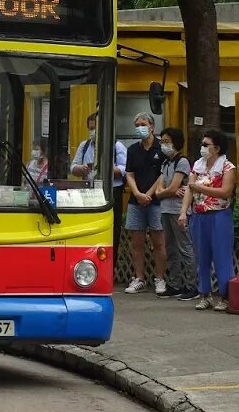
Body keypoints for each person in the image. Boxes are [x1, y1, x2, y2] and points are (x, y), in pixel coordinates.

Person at [179, 129, 237, 312]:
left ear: (217, 147)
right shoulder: (197, 165)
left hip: (219, 216)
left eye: (206, 145)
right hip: (199, 215)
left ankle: (225, 296)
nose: (202, 147)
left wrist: (200, 189)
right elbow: (189, 189)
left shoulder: (227, 167)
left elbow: (226, 191)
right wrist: (183, 212)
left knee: (222, 256)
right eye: (202, 144)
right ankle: (204, 294)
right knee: (201, 257)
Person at [124, 112, 168, 295]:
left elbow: (163, 174)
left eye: (143, 124)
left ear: (151, 126)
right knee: (137, 243)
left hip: (157, 201)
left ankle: (160, 278)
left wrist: (148, 194)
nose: (140, 128)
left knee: (159, 241)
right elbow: (129, 174)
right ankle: (139, 278)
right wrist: (137, 193)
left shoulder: (162, 148)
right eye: (137, 125)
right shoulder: (132, 149)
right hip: (135, 201)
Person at [152, 127, 198, 300]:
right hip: (165, 209)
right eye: (162, 141)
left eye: (167, 141)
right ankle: (175, 283)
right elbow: (159, 190)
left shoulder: (182, 162)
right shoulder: (166, 163)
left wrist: (166, 191)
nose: (164, 145)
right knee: (170, 248)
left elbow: (170, 187)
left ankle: (192, 285)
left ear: (176, 142)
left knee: (185, 247)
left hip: (179, 210)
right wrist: (166, 192)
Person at [71, 112, 127, 253]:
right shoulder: (84, 145)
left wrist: (104, 168)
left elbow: (124, 169)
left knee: (111, 231)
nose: (93, 131)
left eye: (95, 128)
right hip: (88, 192)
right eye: (90, 128)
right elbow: (73, 167)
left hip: (111, 192)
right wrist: (81, 168)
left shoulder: (117, 145)